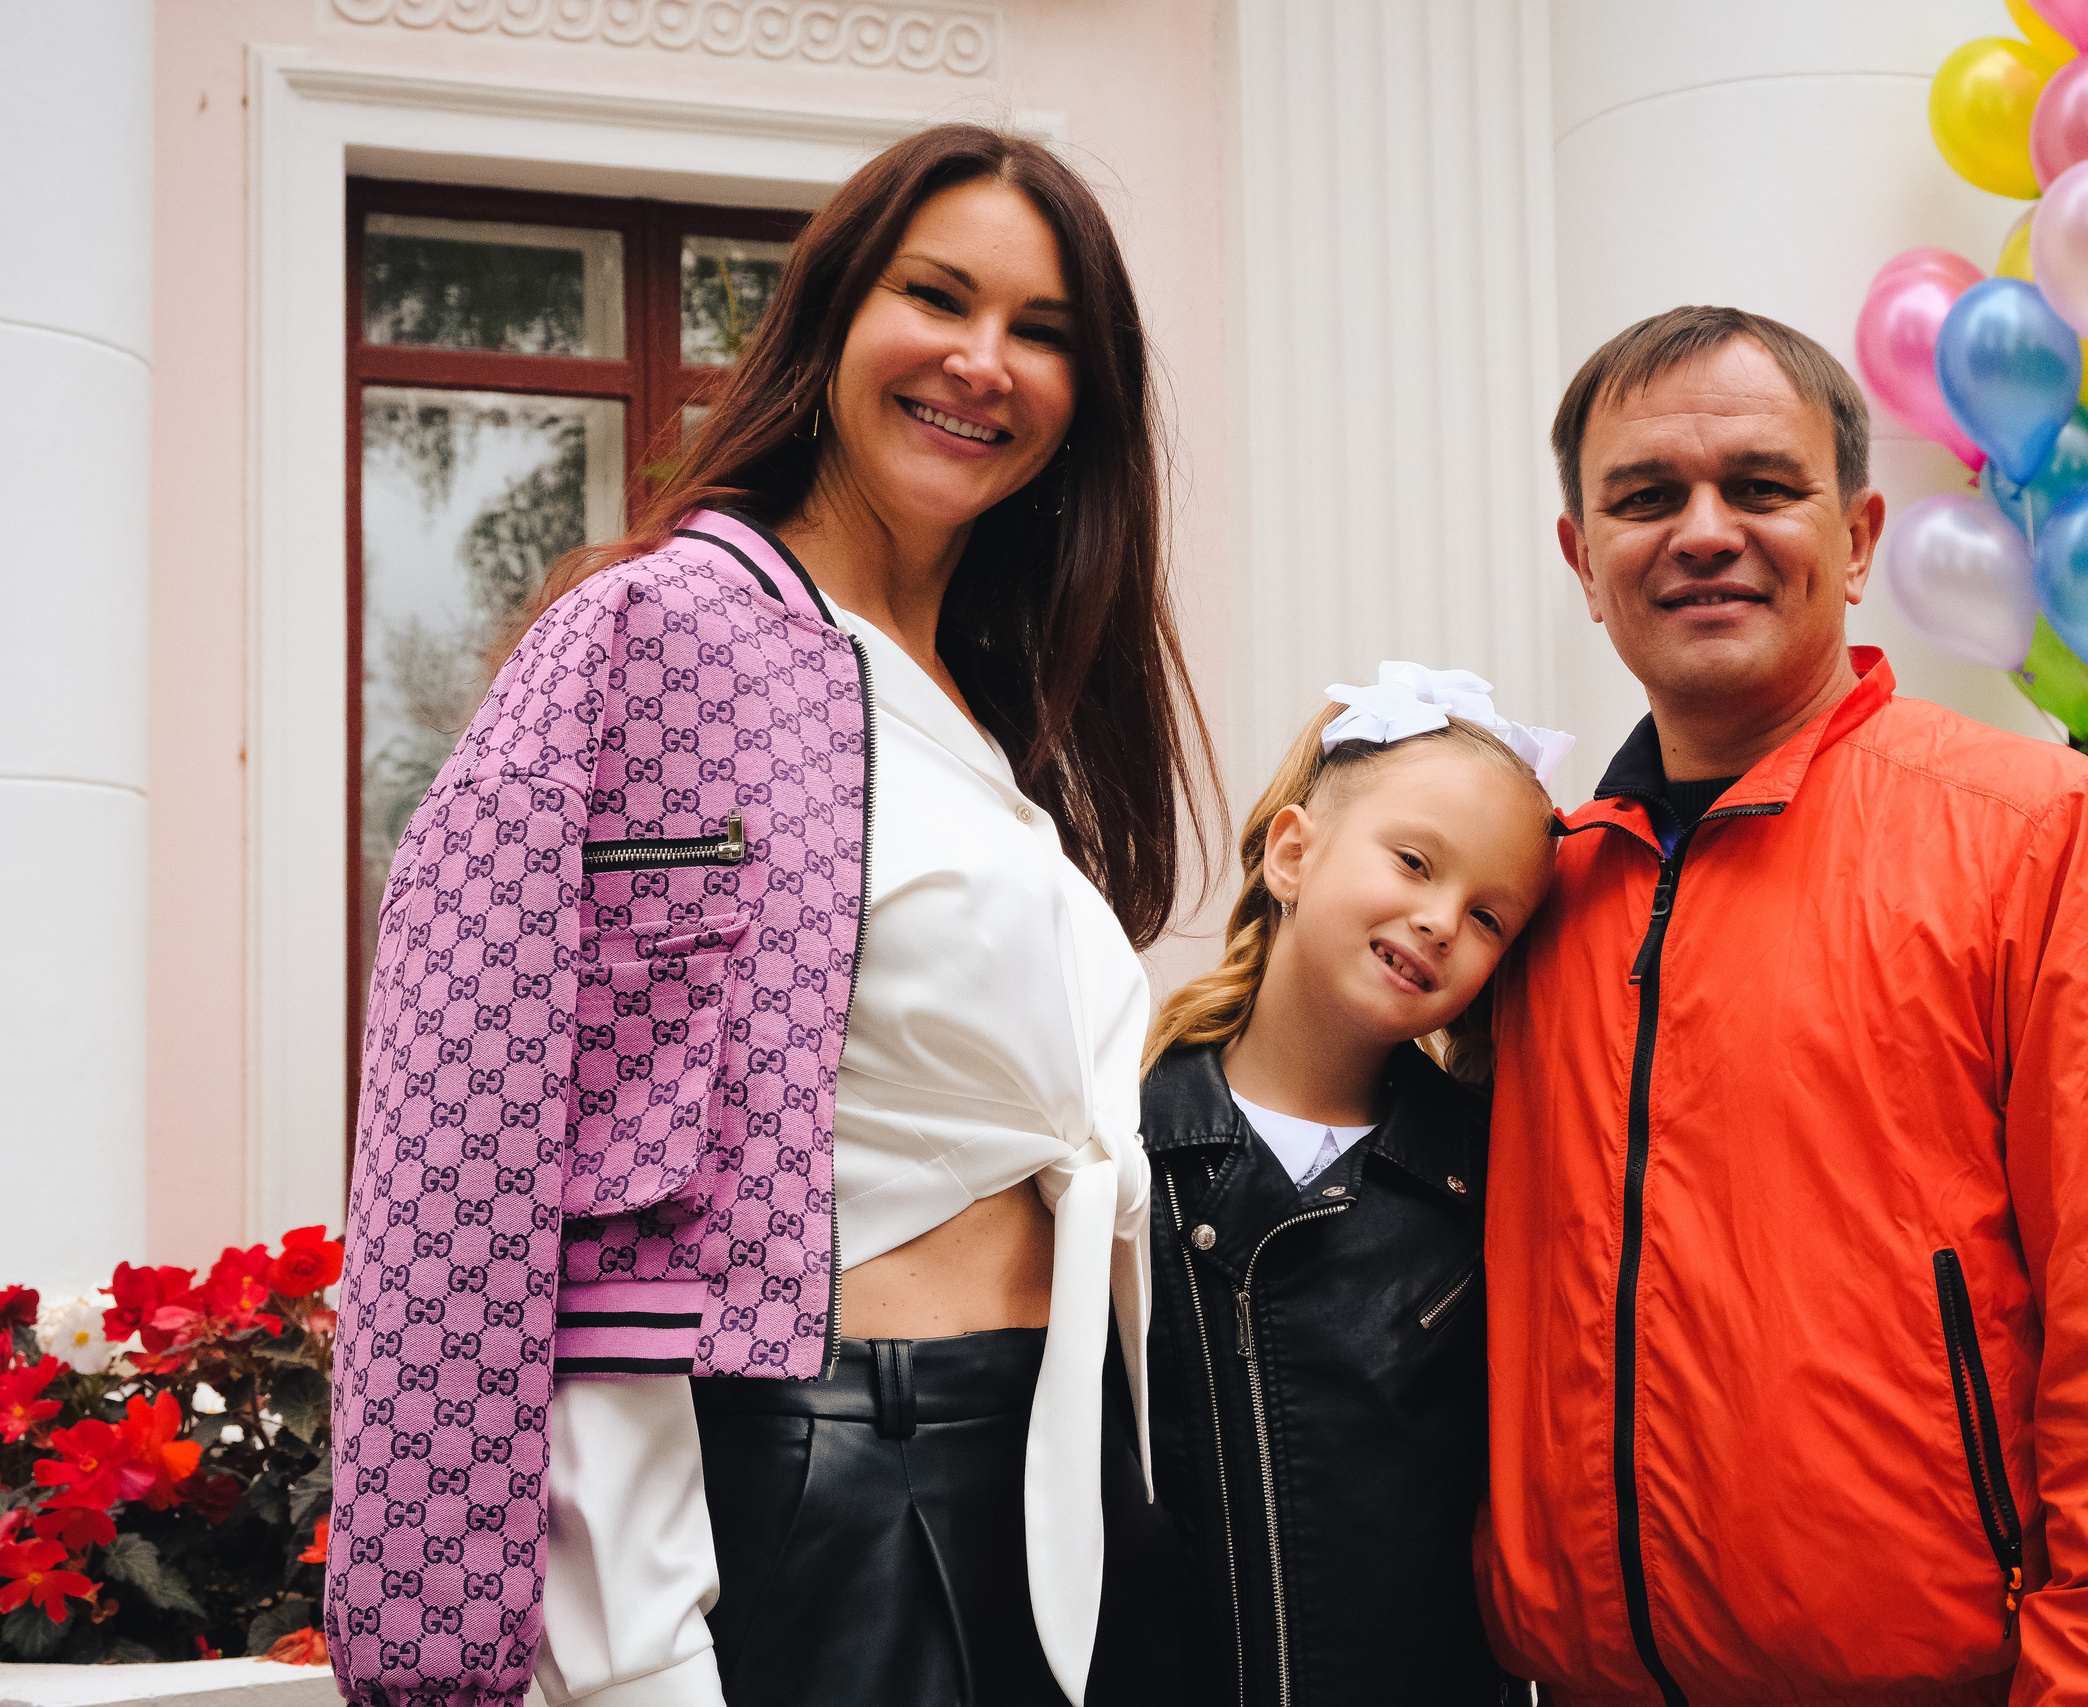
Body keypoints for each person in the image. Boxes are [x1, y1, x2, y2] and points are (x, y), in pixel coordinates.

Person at [326, 124, 1214, 1707]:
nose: (982, 361)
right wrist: (488, 1622)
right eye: (937, 295)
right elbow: (466, 1126)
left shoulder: (992, 710)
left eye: (1046, 332)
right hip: (827, 1476)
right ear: (830, 317)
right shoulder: (658, 634)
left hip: (1054, 1462)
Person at [1471, 305, 2088, 1705]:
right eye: (1644, 496)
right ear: (1584, 560)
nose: (1702, 529)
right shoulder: (1535, 895)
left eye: (1759, 485)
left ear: (1858, 539)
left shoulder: (2046, 839)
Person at [1133, 666, 1566, 1707]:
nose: (1439, 921)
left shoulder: (1490, 1177)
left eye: (1489, 917)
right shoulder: (1122, 1150)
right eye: (1414, 862)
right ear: (1292, 851)